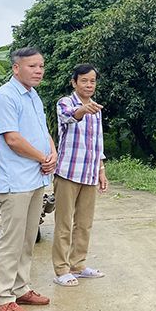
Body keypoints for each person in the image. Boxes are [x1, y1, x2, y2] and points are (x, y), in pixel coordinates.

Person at [0, 47, 57, 311]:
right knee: (12, 241)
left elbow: (43, 131)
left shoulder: (33, 96)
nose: (39, 71)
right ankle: (2, 298)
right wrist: (42, 157)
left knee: (28, 239)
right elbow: (13, 139)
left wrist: (52, 154)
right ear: (16, 68)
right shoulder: (4, 97)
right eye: (32, 66)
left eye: (41, 66)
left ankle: (20, 288)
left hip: (35, 177)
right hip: (14, 181)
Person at [52, 63, 107, 287]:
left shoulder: (96, 109)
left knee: (84, 224)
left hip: (89, 174)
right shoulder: (65, 102)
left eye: (92, 81)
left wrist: (101, 170)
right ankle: (61, 269)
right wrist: (83, 110)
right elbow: (69, 117)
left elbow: (98, 143)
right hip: (68, 172)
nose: (89, 85)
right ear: (74, 82)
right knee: (64, 223)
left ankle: (78, 265)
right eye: (84, 80)